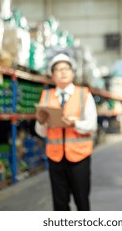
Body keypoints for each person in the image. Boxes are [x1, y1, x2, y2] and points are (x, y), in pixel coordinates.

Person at [35, 53, 97, 211]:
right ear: (52, 74)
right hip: (55, 158)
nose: (63, 72)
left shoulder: (84, 94)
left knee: (82, 201)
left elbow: (92, 125)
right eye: (58, 69)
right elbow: (42, 132)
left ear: (73, 72)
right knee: (59, 204)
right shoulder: (46, 96)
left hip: (79, 157)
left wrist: (74, 123)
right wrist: (41, 123)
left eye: (66, 68)